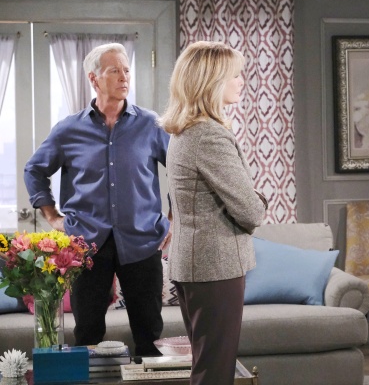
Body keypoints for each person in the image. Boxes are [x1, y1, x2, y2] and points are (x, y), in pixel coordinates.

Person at [24, 43, 171, 357]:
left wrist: (175, 218)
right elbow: (34, 170)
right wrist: (52, 216)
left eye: (126, 70)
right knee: (87, 335)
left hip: (143, 241)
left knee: (150, 337)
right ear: (94, 78)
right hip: (86, 245)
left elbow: (184, 168)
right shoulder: (68, 130)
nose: (124, 77)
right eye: (114, 70)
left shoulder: (151, 124)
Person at [158, 40, 266, 385]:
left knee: (207, 367)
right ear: (212, 81)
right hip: (214, 266)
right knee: (215, 372)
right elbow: (251, 212)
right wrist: (258, 198)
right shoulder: (208, 135)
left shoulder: (184, 130)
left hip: (195, 263)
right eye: (235, 75)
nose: (241, 82)